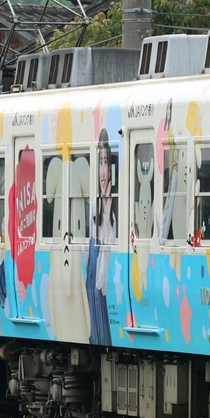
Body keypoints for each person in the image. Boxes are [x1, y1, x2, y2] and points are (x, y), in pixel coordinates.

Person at [86, 128, 114, 347]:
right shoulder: (94, 209)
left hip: (104, 295)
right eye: (100, 162)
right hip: (93, 290)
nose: (103, 170)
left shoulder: (117, 211)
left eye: (106, 162)